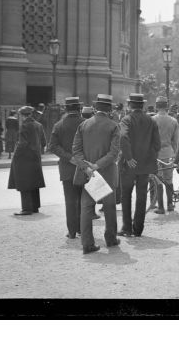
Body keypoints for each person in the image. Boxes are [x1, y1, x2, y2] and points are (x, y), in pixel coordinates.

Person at [72, 94, 121, 253]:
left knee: (86, 208)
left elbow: (76, 150)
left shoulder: (84, 124)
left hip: (87, 174)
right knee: (109, 208)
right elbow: (114, 153)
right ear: (110, 109)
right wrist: (97, 165)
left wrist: (86, 167)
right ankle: (111, 238)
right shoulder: (113, 126)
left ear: (95, 108)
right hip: (105, 173)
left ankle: (87, 243)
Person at [118, 93, 161, 237]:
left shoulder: (126, 119)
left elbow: (123, 137)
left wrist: (129, 157)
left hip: (129, 165)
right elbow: (157, 144)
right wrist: (149, 158)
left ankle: (126, 228)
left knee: (126, 196)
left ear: (130, 105)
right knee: (141, 196)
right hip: (145, 165)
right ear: (142, 105)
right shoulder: (151, 120)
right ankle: (138, 229)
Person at [49, 97, 86, 239]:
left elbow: (52, 146)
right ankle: (82, 229)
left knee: (70, 201)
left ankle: (71, 232)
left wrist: (69, 157)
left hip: (66, 168)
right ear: (79, 109)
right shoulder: (86, 124)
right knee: (83, 200)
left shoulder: (58, 125)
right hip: (83, 167)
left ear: (66, 109)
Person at [8, 106, 46, 215]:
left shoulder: (25, 126)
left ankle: (26, 208)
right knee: (34, 182)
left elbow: (22, 144)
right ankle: (35, 207)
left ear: (23, 115)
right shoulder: (39, 125)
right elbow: (43, 142)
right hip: (36, 158)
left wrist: (16, 156)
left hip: (25, 158)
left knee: (24, 183)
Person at [151, 96, 179, 214]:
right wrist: (175, 155)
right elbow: (176, 141)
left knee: (158, 180)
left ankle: (160, 206)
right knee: (169, 180)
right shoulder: (173, 121)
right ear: (166, 106)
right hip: (169, 153)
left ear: (157, 106)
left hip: (156, 154)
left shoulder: (152, 120)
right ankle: (170, 204)